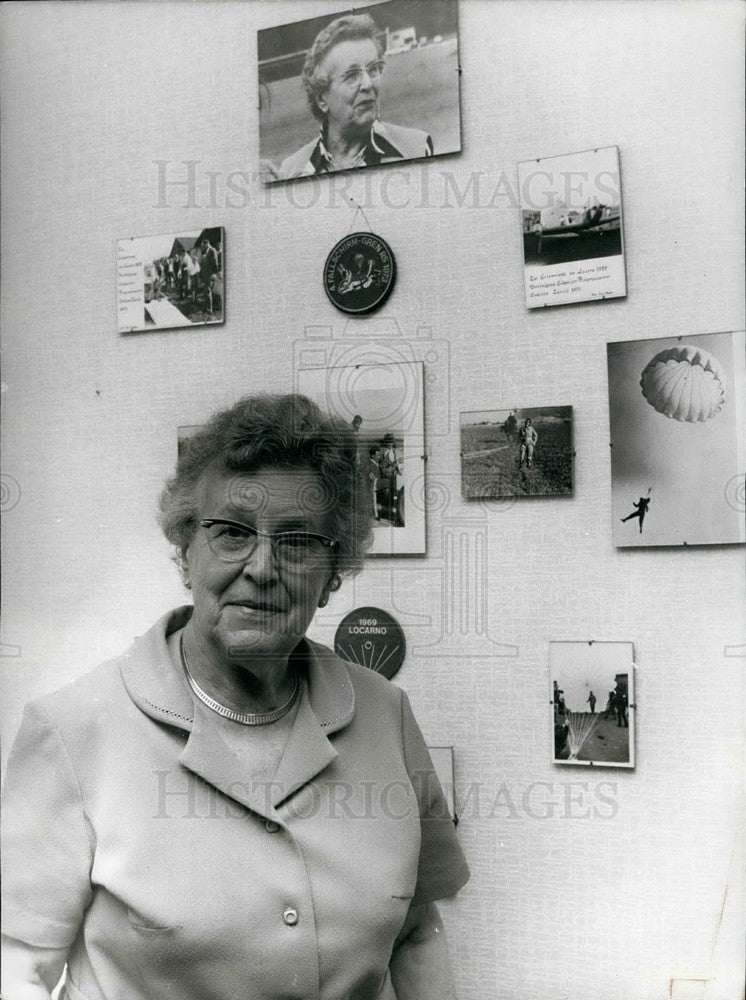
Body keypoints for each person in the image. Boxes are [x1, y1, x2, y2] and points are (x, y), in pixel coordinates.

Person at [1, 394, 468, 1000]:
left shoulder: (385, 715)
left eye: (298, 541)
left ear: (333, 576)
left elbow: (416, 934)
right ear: (185, 552)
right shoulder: (71, 730)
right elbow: (16, 965)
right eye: (232, 533)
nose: (263, 567)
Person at [273, 14, 433, 180]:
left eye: (373, 69)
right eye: (352, 75)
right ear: (322, 100)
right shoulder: (292, 171)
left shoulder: (417, 148)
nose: (368, 84)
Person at [365, 444, 381, 520]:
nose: (379, 457)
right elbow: (367, 475)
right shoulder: (369, 464)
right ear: (372, 456)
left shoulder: (375, 464)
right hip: (371, 487)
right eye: (377, 455)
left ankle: (374, 515)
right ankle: (375, 516)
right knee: (372, 501)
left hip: (374, 486)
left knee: (373, 501)